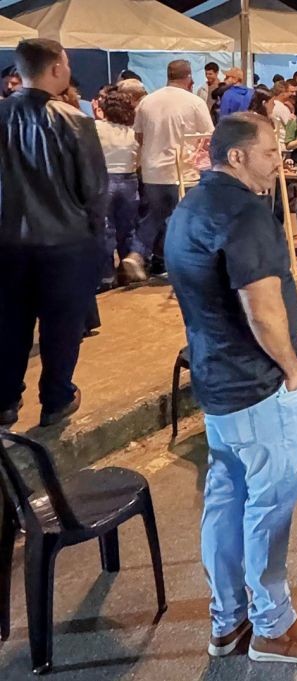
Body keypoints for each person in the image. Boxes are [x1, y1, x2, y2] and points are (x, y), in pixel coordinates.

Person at [165, 113, 297, 663]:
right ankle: (273, 626)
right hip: (254, 382)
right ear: (237, 155)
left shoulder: (192, 206)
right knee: (269, 504)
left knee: (227, 497)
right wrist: (292, 369)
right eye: (271, 153)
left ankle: (228, 620)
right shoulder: (243, 212)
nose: (279, 164)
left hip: (218, 380)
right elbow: (262, 309)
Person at [0, 39, 107, 428]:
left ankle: (5, 400)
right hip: (66, 243)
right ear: (56, 69)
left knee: (10, 323)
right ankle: (56, 398)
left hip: (8, 243)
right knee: (61, 326)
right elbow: (94, 189)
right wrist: (99, 240)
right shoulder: (74, 120)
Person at [123, 59, 213, 281]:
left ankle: (136, 254)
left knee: (153, 217)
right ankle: (184, 266)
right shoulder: (194, 102)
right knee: (186, 220)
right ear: (189, 76)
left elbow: (139, 136)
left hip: (153, 171)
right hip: (185, 171)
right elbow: (208, 137)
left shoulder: (147, 101)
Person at [95, 89, 140, 288]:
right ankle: (126, 272)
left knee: (105, 231)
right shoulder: (132, 132)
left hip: (104, 180)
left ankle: (106, 277)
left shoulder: (96, 128)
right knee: (128, 230)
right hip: (129, 181)